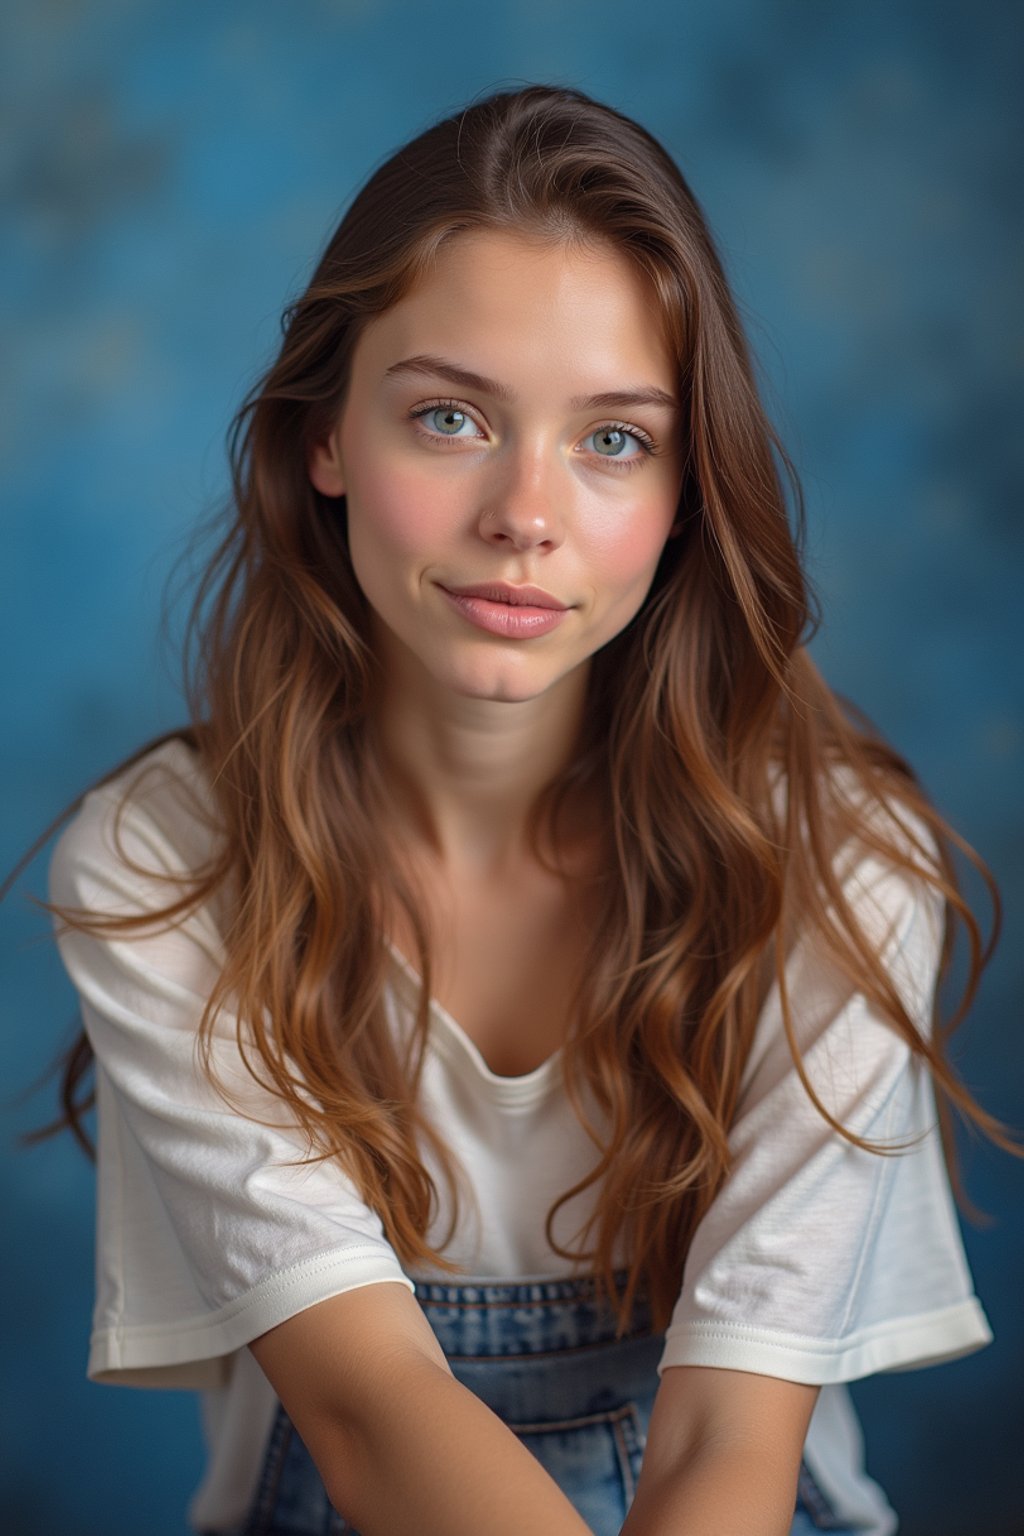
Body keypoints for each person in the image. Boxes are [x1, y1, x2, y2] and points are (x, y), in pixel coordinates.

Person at [27, 83, 1017, 1536]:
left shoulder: (837, 862)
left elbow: (728, 1445)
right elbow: (370, 1416)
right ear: (324, 439)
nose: (526, 513)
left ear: (687, 489)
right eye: (448, 418)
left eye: (614, 440)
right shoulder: (165, 866)